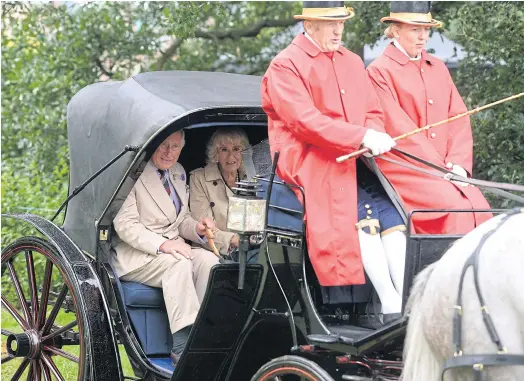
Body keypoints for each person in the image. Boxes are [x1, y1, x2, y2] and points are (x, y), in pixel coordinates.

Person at [261, 1, 407, 318]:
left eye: (340, 22)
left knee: (391, 210)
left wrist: (374, 133)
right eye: (330, 23)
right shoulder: (285, 66)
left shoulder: (353, 62)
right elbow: (305, 122)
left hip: (354, 158)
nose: (338, 29)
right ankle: (390, 299)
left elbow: (372, 111)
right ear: (309, 25)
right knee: (360, 209)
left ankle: (403, 297)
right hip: (309, 159)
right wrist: (359, 137)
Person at [367, 1, 492, 235]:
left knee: (480, 207)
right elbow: (399, 130)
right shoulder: (379, 71)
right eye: (416, 29)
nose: (423, 36)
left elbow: (458, 117)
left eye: (426, 29)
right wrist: (440, 169)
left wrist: (458, 164)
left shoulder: (438, 67)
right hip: (407, 167)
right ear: (395, 29)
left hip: (445, 167)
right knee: (455, 208)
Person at [112, 129, 219, 365]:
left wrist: (197, 229)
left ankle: (204, 334)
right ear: (152, 145)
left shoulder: (178, 172)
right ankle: (182, 345)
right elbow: (125, 225)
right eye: (163, 145)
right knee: (179, 263)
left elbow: (181, 220)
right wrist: (163, 244)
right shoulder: (132, 173)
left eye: (175, 146)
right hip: (137, 254)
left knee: (210, 261)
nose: (169, 152)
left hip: (173, 248)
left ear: (182, 148)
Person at [189, 128, 249, 256]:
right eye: (224, 150)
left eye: (236, 149)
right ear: (215, 154)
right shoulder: (199, 178)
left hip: (251, 250)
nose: (231, 156)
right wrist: (232, 240)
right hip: (214, 252)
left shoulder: (251, 176)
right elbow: (204, 228)